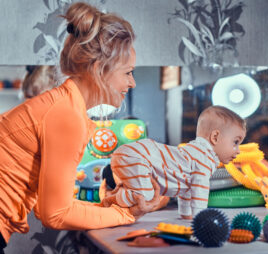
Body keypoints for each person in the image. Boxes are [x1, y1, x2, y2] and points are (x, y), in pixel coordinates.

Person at [0, 2, 160, 252]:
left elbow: (52, 208)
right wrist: (125, 216)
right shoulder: (66, 115)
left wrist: (114, 210)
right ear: (99, 70)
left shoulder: (67, 108)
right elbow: (56, 214)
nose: (132, 83)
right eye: (127, 72)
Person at [102, 105, 246, 219]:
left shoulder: (193, 156)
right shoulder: (203, 160)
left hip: (132, 154)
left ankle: (115, 195)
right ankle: (111, 199)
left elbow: (187, 188)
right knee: (144, 195)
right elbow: (199, 192)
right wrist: (200, 217)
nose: (238, 150)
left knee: (144, 193)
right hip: (136, 155)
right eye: (235, 142)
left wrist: (185, 213)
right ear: (215, 137)